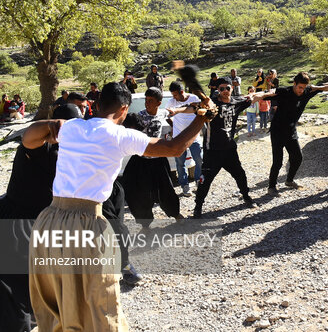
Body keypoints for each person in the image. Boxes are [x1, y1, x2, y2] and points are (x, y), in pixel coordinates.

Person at [28, 82, 211, 332]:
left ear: (97, 104)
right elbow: (174, 148)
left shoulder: (71, 127)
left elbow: (29, 139)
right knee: (99, 301)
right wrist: (202, 117)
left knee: (57, 299)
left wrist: (51, 125)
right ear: (124, 109)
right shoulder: (121, 135)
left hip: (49, 220)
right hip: (86, 224)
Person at [0, 104, 82, 332]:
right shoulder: (41, 147)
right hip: (16, 226)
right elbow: (28, 136)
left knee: (34, 292)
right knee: (15, 294)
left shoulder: (72, 156)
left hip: (40, 227)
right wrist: (50, 126)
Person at [182, 77, 258, 217]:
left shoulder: (237, 102)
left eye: (227, 88)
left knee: (240, 175)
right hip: (212, 152)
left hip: (229, 150)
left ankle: (246, 196)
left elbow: (254, 97)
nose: (225, 91)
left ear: (232, 88)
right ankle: (198, 207)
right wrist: (176, 111)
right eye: (221, 89)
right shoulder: (212, 104)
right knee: (205, 181)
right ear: (217, 90)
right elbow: (193, 107)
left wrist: (257, 94)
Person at [257, 72, 328, 195]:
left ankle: (289, 180)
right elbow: (265, 94)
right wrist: (251, 96)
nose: (302, 90)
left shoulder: (307, 91)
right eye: (300, 87)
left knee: (298, 157)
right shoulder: (284, 92)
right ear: (294, 83)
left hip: (291, 131)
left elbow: (326, 86)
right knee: (277, 161)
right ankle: (271, 187)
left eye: (304, 88)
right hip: (277, 131)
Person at [122, 88, 184, 229]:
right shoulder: (138, 117)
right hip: (141, 161)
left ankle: (176, 214)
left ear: (159, 102)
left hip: (159, 160)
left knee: (166, 189)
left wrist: (175, 128)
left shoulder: (163, 114)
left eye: (151, 101)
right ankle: (145, 224)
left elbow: (179, 110)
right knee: (139, 193)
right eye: (146, 100)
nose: (147, 103)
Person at [165, 81, 203, 196]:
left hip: (194, 136)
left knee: (199, 160)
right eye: (173, 95)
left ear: (182, 92)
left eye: (176, 95)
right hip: (179, 138)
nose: (174, 97)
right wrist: (173, 126)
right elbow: (167, 116)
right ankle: (185, 186)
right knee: (180, 163)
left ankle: (198, 182)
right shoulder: (171, 102)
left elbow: (200, 112)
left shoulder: (193, 98)